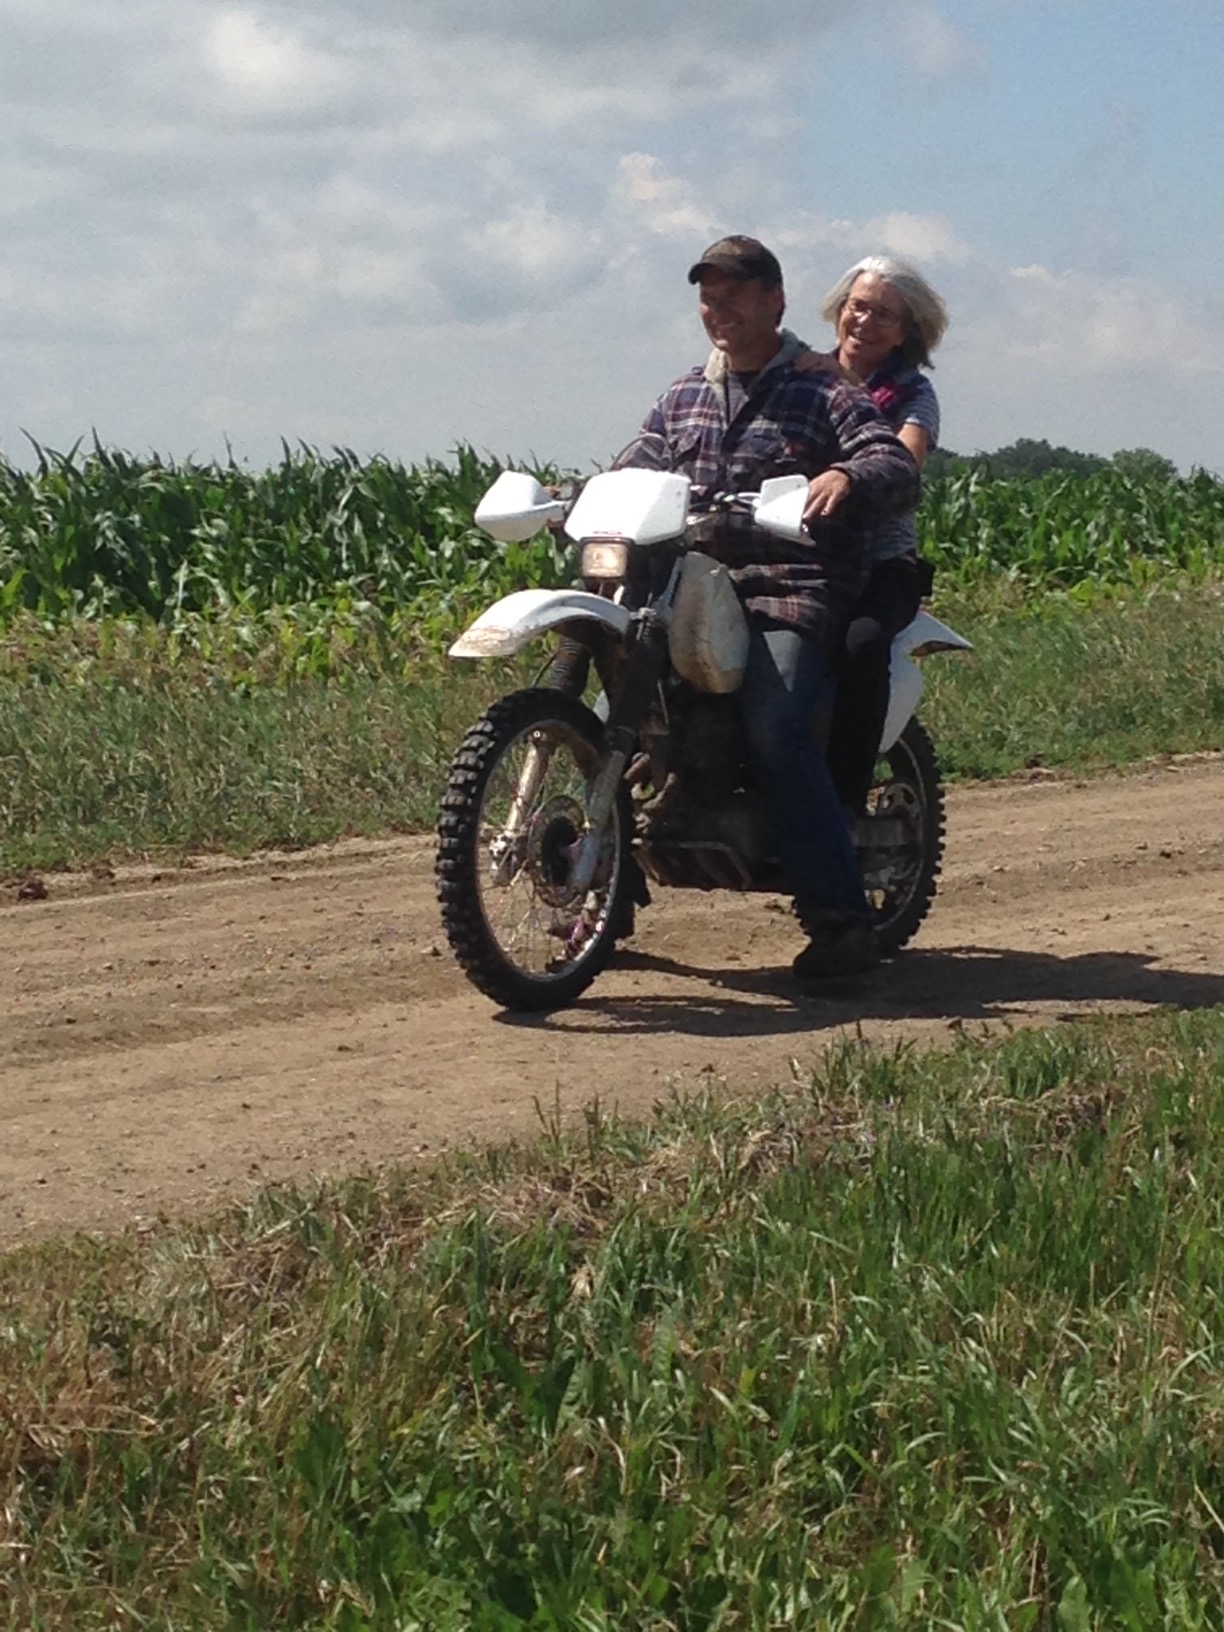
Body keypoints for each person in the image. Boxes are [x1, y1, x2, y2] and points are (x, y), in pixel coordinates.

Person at [615, 235, 919, 979]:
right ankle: (601, 894)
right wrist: (589, 496)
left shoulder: (824, 390)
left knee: (776, 722)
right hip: (689, 586)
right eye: (708, 298)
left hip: (790, 585)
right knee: (616, 703)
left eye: (734, 296)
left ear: (774, 301)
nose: (718, 311)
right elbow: (639, 459)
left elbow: (890, 461)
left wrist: (847, 474)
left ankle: (841, 925)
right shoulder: (685, 394)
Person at [807, 256, 948, 813]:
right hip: (791, 553)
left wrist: (854, 478)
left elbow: (906, 464)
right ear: (840, 310)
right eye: (858, 306)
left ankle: (840, 810)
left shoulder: (913, 396)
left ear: (907, 331)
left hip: (878, 566)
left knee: (860, 645)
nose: (864, 321)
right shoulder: (799, 378)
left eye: (883, 315)